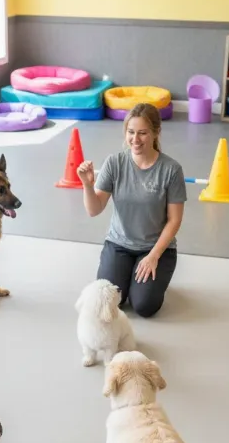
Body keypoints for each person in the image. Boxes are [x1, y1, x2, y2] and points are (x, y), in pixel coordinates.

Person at [77, 103, 186, 318]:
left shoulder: (171, 170)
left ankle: (153, 278)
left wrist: (153, 256)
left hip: (155, 248)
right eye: (131, 132)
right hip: (119, 244)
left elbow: (174, 220)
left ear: (156, 133)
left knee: (144, 306)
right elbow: (94, 209)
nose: (135, 140)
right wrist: (88, 185)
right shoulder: (114, 163)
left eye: (143, 133)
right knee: (108, 302)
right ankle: (130, 275)